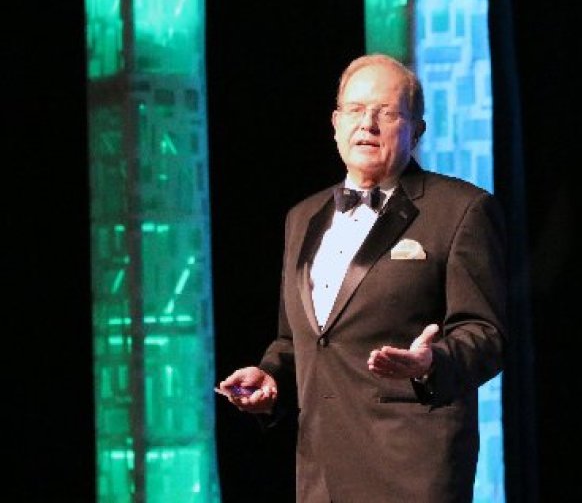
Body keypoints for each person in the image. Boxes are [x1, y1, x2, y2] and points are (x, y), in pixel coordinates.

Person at [217, 53, 508, 503]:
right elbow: (297, 341)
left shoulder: (461, 210)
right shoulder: (302, 218)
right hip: (321, 474)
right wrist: (270, 377)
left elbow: (486, 335)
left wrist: (434, 363)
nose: (367, 124)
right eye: (355, 110)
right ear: (335, 123)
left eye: (387, 112)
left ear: (417, 130)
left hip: (413, 470)